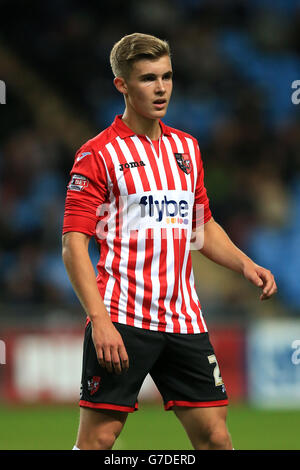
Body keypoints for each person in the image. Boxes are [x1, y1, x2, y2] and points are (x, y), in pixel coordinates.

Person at [62, 32, 277, 451]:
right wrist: (99, 320)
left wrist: (244, 264)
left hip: (183, 319)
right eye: (147, 79)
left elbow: (202, 225)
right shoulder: (97, 154)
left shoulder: (187, 148)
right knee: (98, 440)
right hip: (122, 318)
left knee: (216, 436)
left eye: (167, 76)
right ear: (122, 85)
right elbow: (73, 245)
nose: (161, 88)